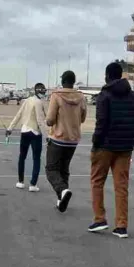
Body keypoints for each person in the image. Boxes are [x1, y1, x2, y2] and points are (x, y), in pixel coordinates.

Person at [87, 62, 134, 239]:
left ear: (107, 76)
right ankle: (121, 225)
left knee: (97, 181)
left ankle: (99, 218)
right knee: (121, 186)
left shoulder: (105, 95)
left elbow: (101, 123)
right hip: (125, 147)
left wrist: (95, 144)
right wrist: (130, 144)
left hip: (105, 146)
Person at [45, 71, 87, 212]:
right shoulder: (81, 96)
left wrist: (48, 121)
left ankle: (62, 190)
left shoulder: (56, 95)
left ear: (63, 81)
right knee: (64, 169)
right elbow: (83, 118)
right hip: (73, 139)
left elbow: (50, 120)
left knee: (51, 169)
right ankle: (61, 199)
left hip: (58, 138)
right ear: (73, 82)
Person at [6, 83, 48, 192]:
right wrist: (47, 136)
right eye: (43, 91)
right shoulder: (39, 102)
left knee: (22, 157)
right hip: (35, 133)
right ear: (40, 91)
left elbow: (18, 115)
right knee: (36, 159)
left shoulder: (27, 100)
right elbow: (40, 120)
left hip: (24, 130)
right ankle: (33, 184)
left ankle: (20, 181)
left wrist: (10, 128)